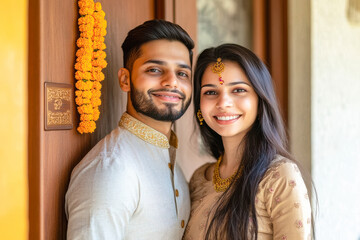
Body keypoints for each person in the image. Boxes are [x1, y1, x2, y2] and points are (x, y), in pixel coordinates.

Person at [65, 19, 194, 239]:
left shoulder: (167, 155)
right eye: (154, 69)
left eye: (182, 73)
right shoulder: (112, 169)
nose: (172, 82)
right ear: (125, 80)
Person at [183, 44, 314, 240]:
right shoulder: (199, 179)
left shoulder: (279, 176)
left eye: (238, 90)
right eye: (210, 92)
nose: (223, 102)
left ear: (260, 100)